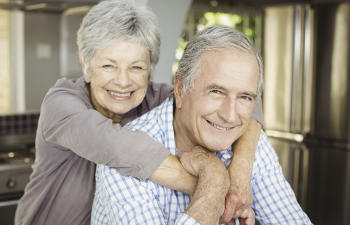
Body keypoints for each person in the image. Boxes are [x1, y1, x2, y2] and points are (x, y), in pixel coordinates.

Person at [15, 1, 264, 225]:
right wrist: (217, 181)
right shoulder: (61, 103)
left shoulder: (160, 98)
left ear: (150, 70)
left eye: (136, 67)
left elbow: (247, 114)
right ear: (86, 65)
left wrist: (240, 173)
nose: (123, 82)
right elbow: (118, 147)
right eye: (108, 66)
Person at [91, 25, 313, 225]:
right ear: (180, 89)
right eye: (216, 92)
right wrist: (214, 177)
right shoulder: (123, 161)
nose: (229, 115)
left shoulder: (248, 143)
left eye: (245, 97)